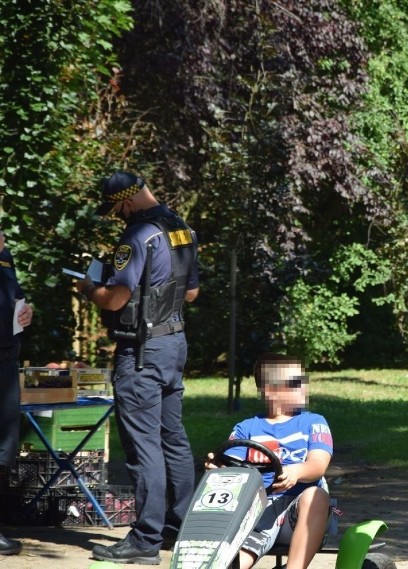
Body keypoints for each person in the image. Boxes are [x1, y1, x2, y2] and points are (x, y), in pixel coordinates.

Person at [78, 171, 200, 564]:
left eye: (116, 209)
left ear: (126, 201)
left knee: (144, 445)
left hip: (141, 350)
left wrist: (88, 288)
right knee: (172, 439)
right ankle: (177, 527)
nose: (117, 216)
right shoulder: (182, 230)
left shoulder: (137, 235)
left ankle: (145, 541)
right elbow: (192, 292)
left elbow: (115, 300)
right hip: (174, 343)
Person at [204, 354, 333, 569]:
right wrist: (217, 469)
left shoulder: (314, 422)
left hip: (300, 512)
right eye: (295, 383)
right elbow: (231, 468)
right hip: (259, 513)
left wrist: (297, 471)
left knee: (315, 495)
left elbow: (318, 465)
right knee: (226, 564)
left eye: (304, 380)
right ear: (270, 391)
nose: (304, 386)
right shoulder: (246, 428)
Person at [0, 230, 34, 556]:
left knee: (3, 449)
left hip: (6, 362)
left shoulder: (5, 254)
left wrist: (26, 311)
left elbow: (16, 297)